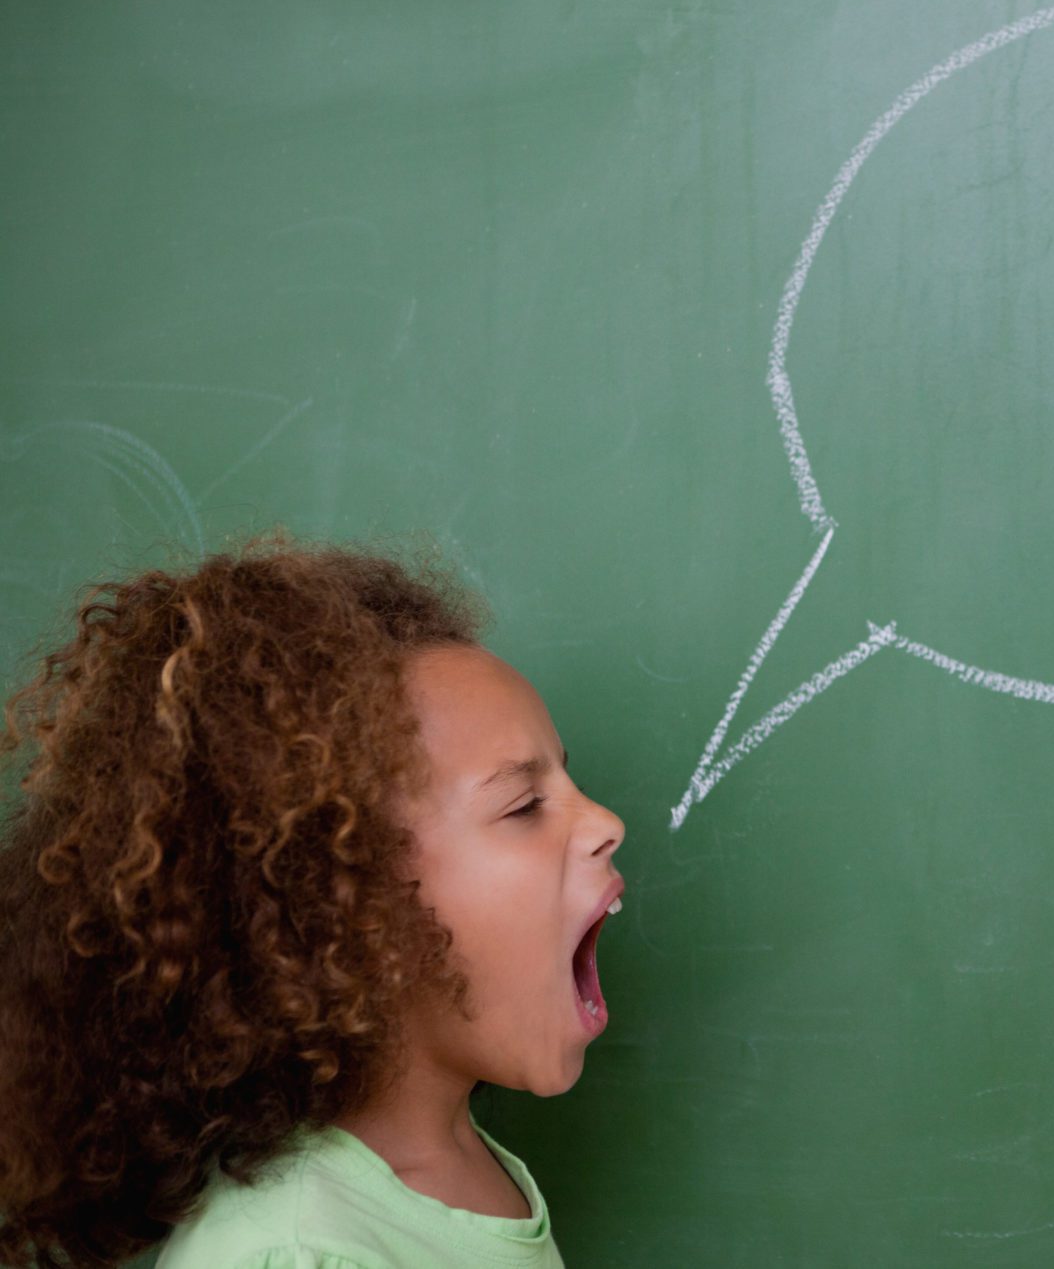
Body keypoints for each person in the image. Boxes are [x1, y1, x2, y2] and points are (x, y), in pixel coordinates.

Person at [0, 530, 627, 1268]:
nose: (607, 823)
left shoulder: (469, 1174)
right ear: (351, 909)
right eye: (524, 804)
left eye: (568, 781)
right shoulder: (295, 1251)